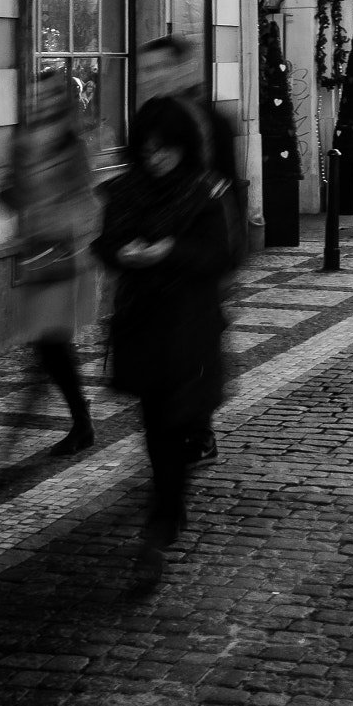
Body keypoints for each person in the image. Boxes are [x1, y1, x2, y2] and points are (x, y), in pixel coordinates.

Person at [96, 98, 233, 591]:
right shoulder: (126, 190)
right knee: (157, 430)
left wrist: (169, 250)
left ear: (183, 148)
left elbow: (222, 255)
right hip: (144, 327)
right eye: (148, 150)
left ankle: (158, 529)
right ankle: (167, 508)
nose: (156, 159)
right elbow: (105, 242)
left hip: (189, 329)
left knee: (175, 426)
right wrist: (124, 253)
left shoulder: (204, 192)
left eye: (165, 150)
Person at [139, 36, 245, 465]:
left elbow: (228, 190)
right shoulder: (147, 118)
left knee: (199, 343)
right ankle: (167, 427)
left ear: (183, 69)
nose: (152, 78)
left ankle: (199, 430)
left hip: (202, 256)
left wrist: (227, 256)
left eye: (160, 69)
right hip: (156, 258)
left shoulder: (210, 122)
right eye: (146, 71)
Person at [0, 68, 97, 456]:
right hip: (35, 255)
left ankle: (42, 429)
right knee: (47, 345)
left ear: (63, 100)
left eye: (51, 95)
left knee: (49, 343)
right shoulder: (22, 142)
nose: (42, 102)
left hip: (65, 255)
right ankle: (75, 421)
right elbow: (13, 202)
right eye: (37, 96)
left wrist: (65, 219)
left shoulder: (73, 146)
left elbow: (86, 202)